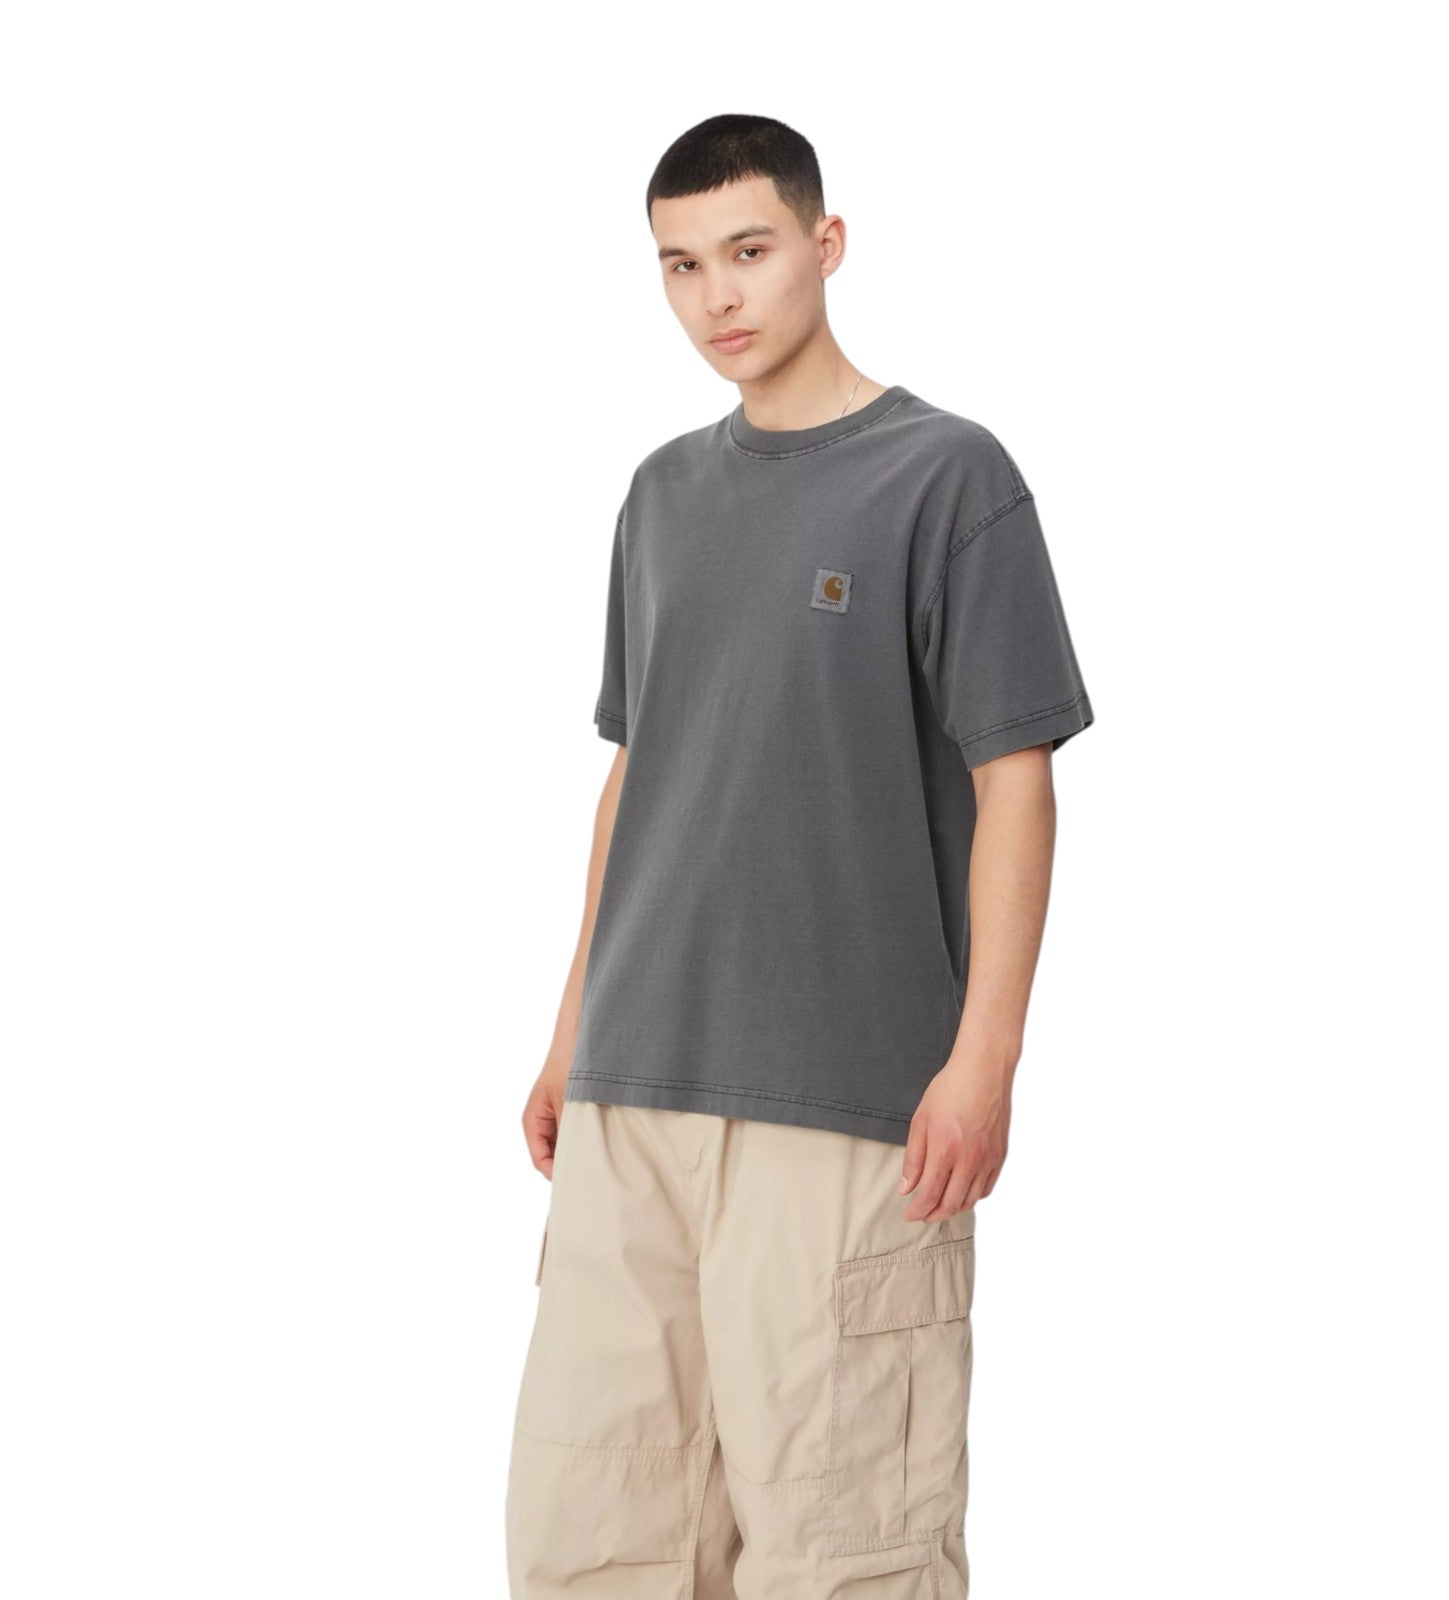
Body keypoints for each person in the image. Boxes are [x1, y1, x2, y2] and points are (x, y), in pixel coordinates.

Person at [505, 112, 1095, 1599]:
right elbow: (639, 774)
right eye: (681, 265)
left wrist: (986, 1060)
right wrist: (573, 1032)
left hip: (843, 1102)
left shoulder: (947, 477)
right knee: (596, 1536)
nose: (718, 296)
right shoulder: (659, 495)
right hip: (636, 1091)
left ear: (826, 246)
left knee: (846, 1545)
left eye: (750, 251)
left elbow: (1015, 782)